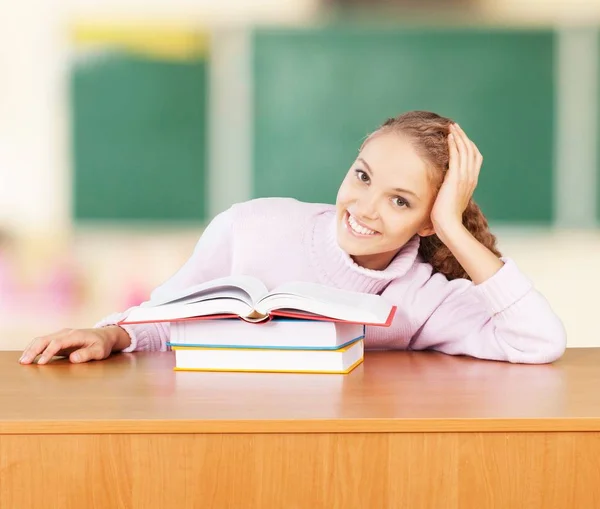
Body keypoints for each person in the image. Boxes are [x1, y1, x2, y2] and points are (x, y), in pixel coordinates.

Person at [19, 111, 566, 366]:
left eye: (401, 201)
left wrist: (452, 228)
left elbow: (536, 342)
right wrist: (109, 336)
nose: (365, 208)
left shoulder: (423, 298)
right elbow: (167, 314)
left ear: (429, 221)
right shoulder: (252, 225)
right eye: (363, 175)